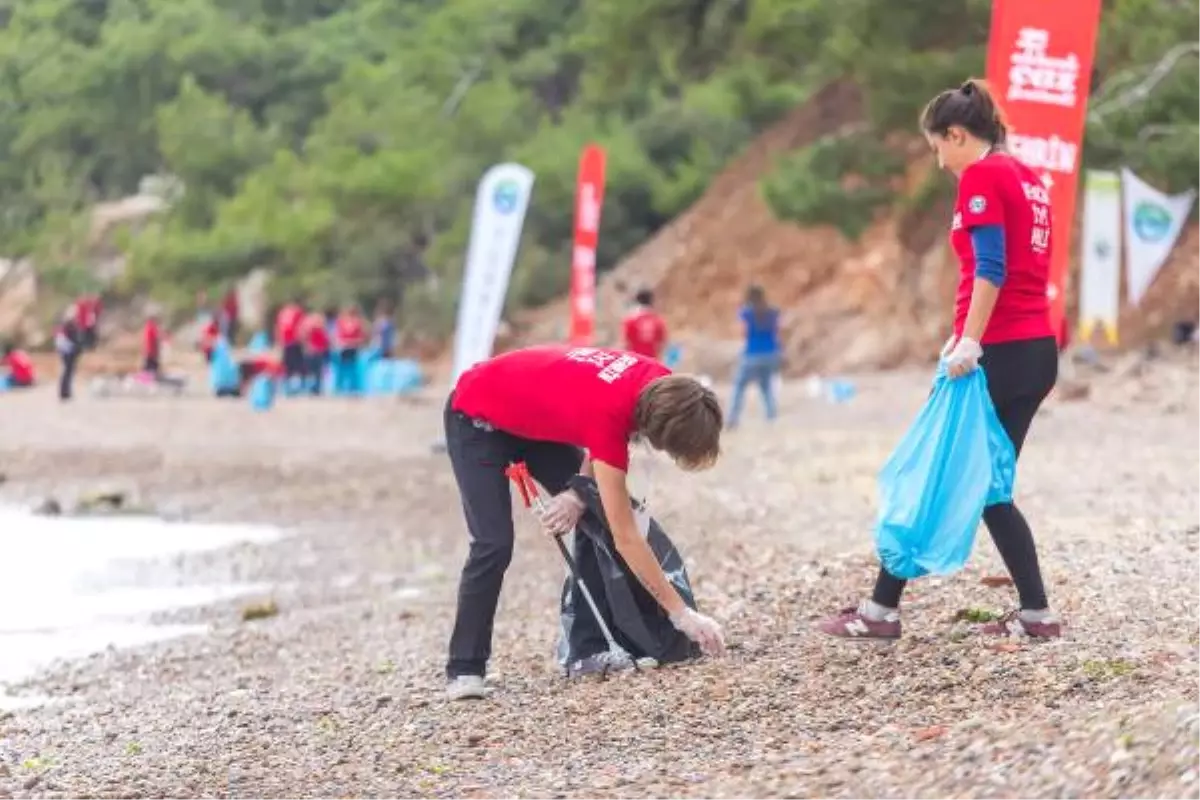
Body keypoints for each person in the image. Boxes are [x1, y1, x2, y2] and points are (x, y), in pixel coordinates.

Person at [819, 78, 1061, 640]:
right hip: (1034, 350)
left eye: (937, 148)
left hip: (995, 352)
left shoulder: (982, 175)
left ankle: (881, 612)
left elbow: (991, 267)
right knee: (987, 486)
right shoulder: (1028, 177)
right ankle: (1035, 614)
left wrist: (969, 342)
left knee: (936, 473)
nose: (939, 162)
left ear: (957, 134)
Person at [443, 344, 727, 700]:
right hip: (475, 417)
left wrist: (577, 494)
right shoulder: (610, 416)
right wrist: (682, 615)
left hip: (534, 422)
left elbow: (600, 445)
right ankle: (465, 668)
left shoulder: (666, 386)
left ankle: (589, 648)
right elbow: (627, 535)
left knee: (595, 509)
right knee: (493, 544)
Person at [726, 285, 781, 429]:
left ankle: (733, 418)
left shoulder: (746, 313)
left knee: (739, 386)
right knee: (766, 385)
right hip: (771, 352)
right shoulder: (773, 312)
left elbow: (743, 332)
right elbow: (777, 331)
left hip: (752, 353)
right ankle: (771, 415)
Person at [622, 289, 668, 360]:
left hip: (636, 360)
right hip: (651, 361)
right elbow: (662, 343)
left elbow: (626, 343)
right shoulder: (657, 320)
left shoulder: (630, 320)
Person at [334, 304, 367, 394]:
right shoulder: (342, 322)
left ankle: (352, 388)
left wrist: (354, 342)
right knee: (343, 369)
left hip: (351, 347)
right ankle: (340, 387)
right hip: (344, 347)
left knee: (352, 368)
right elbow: (338, 335)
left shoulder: (357, 322)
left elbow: (361, 336)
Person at [274, 298, 306, 384]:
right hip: (295, 341)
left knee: (287, 365)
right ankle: (297, 384)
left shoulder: (282, 312)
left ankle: (288, 384)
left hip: (286, 342)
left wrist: (278, 341)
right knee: (297, 364)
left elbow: (278, 327)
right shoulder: (298, 311)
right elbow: (302, 326)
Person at [55, 310, 83, 401]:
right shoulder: (69, 327)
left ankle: (65, 392)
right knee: (68, 372)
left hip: (68, 351)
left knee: (67, 372)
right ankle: (65, 392)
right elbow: (74, 339)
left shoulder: (66, 327)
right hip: (69, 351)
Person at [301, 310, 331, 395]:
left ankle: (315, 388)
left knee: (316, 371)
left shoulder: (321, 330)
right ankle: (312, 388)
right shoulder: (312, 329)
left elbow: (325, 341)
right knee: (313, 371)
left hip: (317, 351)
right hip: (313, 351)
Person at [142, 312, 164, 377]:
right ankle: (150, 377)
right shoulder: (152, 327)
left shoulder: (147, 326)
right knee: (152, 364)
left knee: (148, 363)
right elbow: (156, 337)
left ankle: (146, 376)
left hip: (148, 349)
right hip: (152, 349)